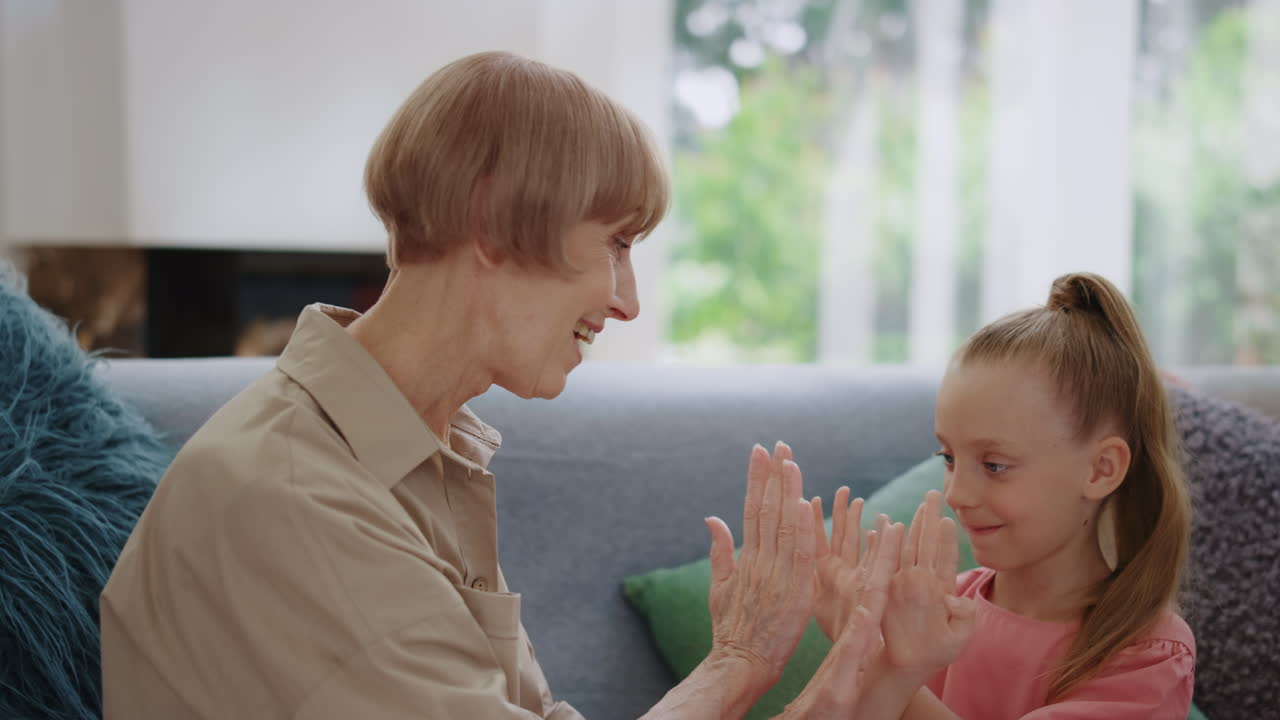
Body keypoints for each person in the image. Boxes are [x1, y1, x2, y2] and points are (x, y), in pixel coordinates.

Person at [100, 51, 903, 719]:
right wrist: (737, 664)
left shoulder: (410, 453)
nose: (628, 302)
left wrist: (769, 671)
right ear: (490, 219)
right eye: (617, 244)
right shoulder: (294, 494)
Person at [817, 272, 1196, 718]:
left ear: (1101, 469)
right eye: (949, 458)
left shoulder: (1148, 654)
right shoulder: (937, 613)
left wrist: (884, 663)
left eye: (995, 465)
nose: (957, 494)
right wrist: (862, 651)